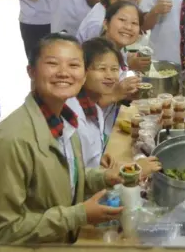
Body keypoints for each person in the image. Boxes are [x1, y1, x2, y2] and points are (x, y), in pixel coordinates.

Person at [0, 33, 124, 244]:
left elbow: (62, 177)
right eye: (52, 64)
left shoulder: (64, 122)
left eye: (73, 65)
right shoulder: (12, 141)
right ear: (31, 71)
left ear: (83, 75)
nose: (63, 73)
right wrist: (79, 215)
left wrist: (103, 178)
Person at [66, 37, 161, 175]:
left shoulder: (95, 109)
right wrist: (135, 171)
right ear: (83, 71)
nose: (110, 76)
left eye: (115, 69)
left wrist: (98, 157)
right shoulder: (75, 115)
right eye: (102, 69)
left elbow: (87, 159)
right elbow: (77, 179)